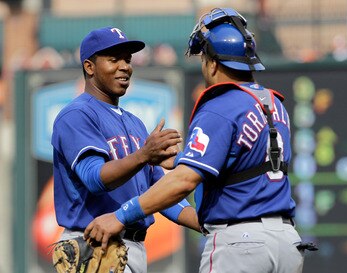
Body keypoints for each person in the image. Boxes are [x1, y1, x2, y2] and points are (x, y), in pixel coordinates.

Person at [84, 9, 312, 273]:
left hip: (242, 244)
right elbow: (245, 167)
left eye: (204, 58)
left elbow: (183, 182)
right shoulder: (274, 104)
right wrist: (183, 159)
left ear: (213, 63)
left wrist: (119, 216)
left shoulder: (221, 104)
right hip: (287, 243)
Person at [51, 26, 200, 273]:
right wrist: (144, 155)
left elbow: (157, 194)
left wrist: (203, 223)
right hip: (94, 245)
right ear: (89, 67)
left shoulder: (135, 123)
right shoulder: (76, 115)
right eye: (114, 59)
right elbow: (94, 178)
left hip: (134, 248)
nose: (125, 66)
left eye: (127, 59)